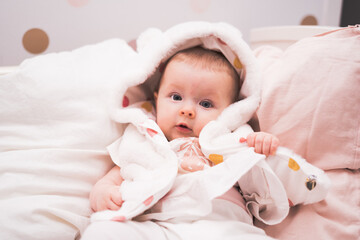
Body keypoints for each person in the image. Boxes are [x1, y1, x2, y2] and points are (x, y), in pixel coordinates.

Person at [82, 47, 281, 240]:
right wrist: (104, 189)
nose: (187, 110)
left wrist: (260, 144)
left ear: (228, 112)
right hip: (160, 225)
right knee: (102, 232)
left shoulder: (231, 138)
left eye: (205, 103)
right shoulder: (147, 141)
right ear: (157, 100)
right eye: (176, 97)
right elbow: (121, 171)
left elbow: (257, 172)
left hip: (224, 227)